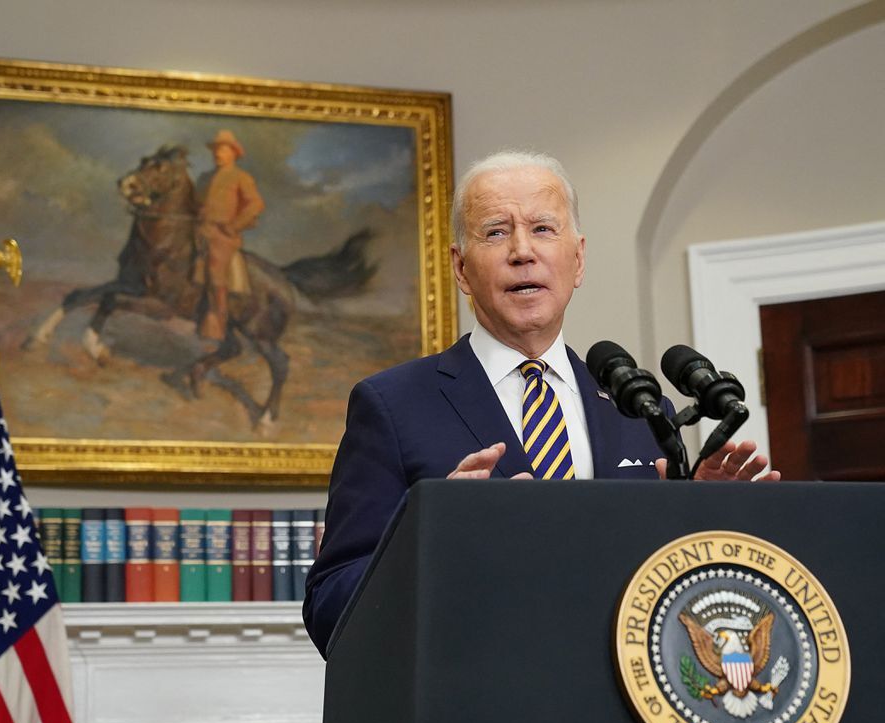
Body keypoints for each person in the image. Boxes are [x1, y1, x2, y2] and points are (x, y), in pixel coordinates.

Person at [302, 150, 779, 658]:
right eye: (495, 232)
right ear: (461, 270)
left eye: (544, 229)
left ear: (578, 259)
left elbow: (673, 592)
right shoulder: (392, 406)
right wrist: (432, 541)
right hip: (478, 708)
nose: (522, 251)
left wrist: (699, 517)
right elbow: (331, 608)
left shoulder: (641, 407)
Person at [193, 130, 265, 341]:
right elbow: (195, 204)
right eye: (216, 149)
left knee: (215, 269)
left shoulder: (241, 177)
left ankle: (217, 322)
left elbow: (256, 204)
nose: (218, 153)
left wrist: (235, 226)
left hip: (223, 236)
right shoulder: (204, 178)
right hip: (200, 230)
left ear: (233, 152)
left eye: (223, 149)